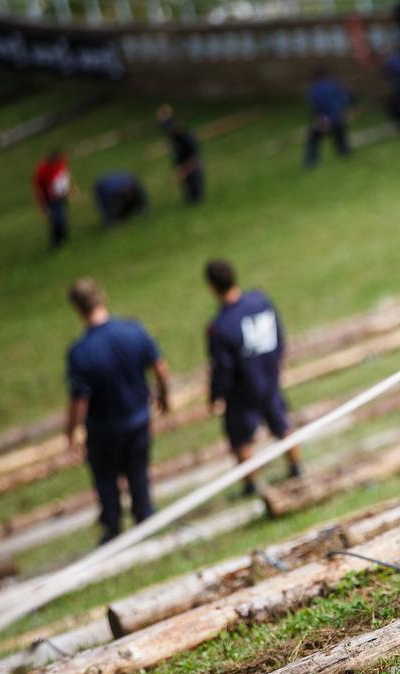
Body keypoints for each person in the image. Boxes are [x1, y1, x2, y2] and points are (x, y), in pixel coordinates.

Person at [65, 278, 170, 544]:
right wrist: (164, 396)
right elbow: (159, 367)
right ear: (103, 298)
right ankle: (144, 516)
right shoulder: (134, 331)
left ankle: (112, 528)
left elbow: (80, 399)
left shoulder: (80, 352)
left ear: (78, 310)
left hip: (103, 429)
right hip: (137, 419)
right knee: (138, 471)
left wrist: (72, 430)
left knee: (105, 481)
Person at [204, 259, 302, 496]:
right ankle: (296, 466)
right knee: (281, 422)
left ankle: (250, 483)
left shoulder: (219, 326)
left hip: (242, 388)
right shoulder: (260, 300)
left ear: (212, 286)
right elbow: (278, 333)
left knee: (240, 438)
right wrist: (278, 361)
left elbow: (223, 367)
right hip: (269, 376)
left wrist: (217, 394)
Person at [157, 104, 204, 204]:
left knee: (196, 196)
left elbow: (195, 157)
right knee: (188, 197)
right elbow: (177, 154)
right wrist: (177, 169)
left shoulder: (186, 137)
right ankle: (190, 197)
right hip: (182, 163)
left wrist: (184, 171)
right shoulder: (173, 138)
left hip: (192, 165)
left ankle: (196, 196)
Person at [304, 67, 352, 167]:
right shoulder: (334, 84)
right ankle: (345, 152)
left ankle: (310, 161)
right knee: (340, 135)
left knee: (313, 139)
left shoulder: (315, 89)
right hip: (338, 118)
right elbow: (345, 97)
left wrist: (321, 119)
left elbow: (316, 106)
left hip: (325, 119)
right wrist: (343, 110)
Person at [32, 149, 73, 249]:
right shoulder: (42, 169)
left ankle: (63, 239)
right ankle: (56, 243)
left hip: (61, 195)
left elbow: (65, 175)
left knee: (62, 217)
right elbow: (38, 189)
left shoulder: (61, 161)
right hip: (50, 199)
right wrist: (42, 206)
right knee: (56, 220)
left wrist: (71, 189)